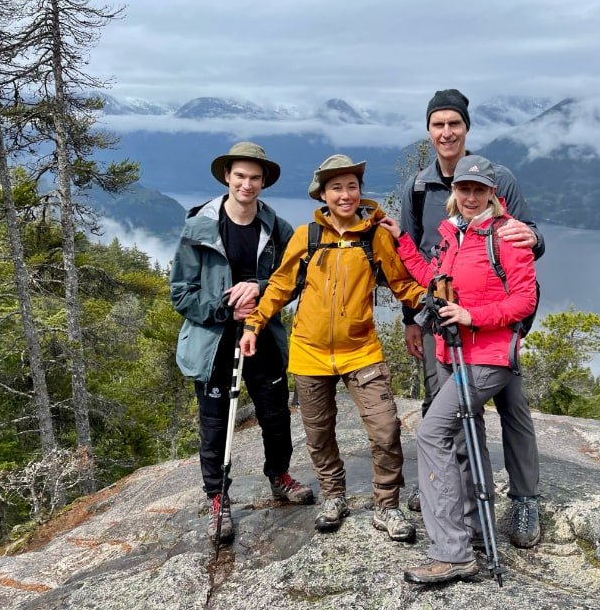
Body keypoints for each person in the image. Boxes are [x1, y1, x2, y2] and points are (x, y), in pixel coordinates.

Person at [239, 154, 426, 542]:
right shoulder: (307, 236)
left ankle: (386, 505)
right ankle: (334, 496)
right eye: (337, 188)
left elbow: (403, 285)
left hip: (362, 351)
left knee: (386, 428)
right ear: (323, 194)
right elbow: (279, 287)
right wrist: (254, 324)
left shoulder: (375, 237)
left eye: (352, 186)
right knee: (319, 433)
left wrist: (434, 298)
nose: (346, 195)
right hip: (310, 352)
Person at [382, 155, 538, 584]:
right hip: (454, 355)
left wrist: (473, 316)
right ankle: (470, 529)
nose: (470, 196)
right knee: (460, 441)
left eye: (478, 190)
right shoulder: (454, 235)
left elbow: (524, 300)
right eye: (463, 189)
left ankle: (451, 552)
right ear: (455, 193)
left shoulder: (507, 237)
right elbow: (433, 279)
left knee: (432, 433)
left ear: (493, 193)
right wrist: (402, 242)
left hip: (486, 358)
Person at [399, 88, 544, 548]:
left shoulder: (498, 178)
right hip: (440, 322)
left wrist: (536, 242)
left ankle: (524, 501)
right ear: (428, 131)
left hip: (496, 326)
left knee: (513, 406)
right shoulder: (419, 187)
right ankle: (455, 492)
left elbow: (526, 238)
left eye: (454, 124)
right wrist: (411, 319)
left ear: (466, 128)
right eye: (438, 124)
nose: (446, 132)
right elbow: (417, 253)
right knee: (447, 410)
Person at [170, 141, 314, 546]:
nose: (247, 184)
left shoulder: (278, 229)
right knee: (215, 423)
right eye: (240, 176)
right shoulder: (199, 226)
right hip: (215, 342)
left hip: (263, 335)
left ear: (263, 181)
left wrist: (260, 287)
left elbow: (296, 278)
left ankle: (279, 477)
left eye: (254, 177)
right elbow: (181, 293)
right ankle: (218, 498)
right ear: (227, 178)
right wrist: (223, 309)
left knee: (275, 415)